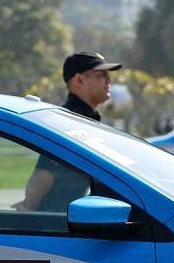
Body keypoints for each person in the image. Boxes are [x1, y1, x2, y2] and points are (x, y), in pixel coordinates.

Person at [12, 52, 121, 211]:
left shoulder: (85, 118)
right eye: (102, 75)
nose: (109, 81)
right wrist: (28, 211)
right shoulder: (67, 122)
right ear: (80, 80)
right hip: (57, 224)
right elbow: (44, 175)